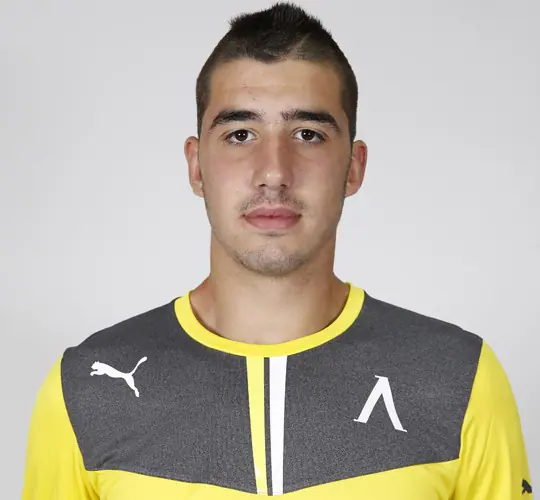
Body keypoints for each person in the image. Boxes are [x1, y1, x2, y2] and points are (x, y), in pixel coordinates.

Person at [22, 2, 532, 499]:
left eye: (308, 134)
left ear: (353, 167)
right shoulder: (84, 391)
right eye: (240, 134)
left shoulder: (457, 379)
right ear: (196, 166)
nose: (273, 171)